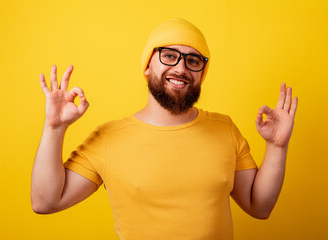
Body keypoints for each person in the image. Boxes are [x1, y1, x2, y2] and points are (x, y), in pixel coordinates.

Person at [31, 18, 298, 240]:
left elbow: (259, 206)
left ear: (201, 73)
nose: (181, 68)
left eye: (193, 60)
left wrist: (277, 146)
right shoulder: (108, 139)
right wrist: (54, 128)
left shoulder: (225, 129)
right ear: (148, 66)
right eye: (169, 56)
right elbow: (45, 202)